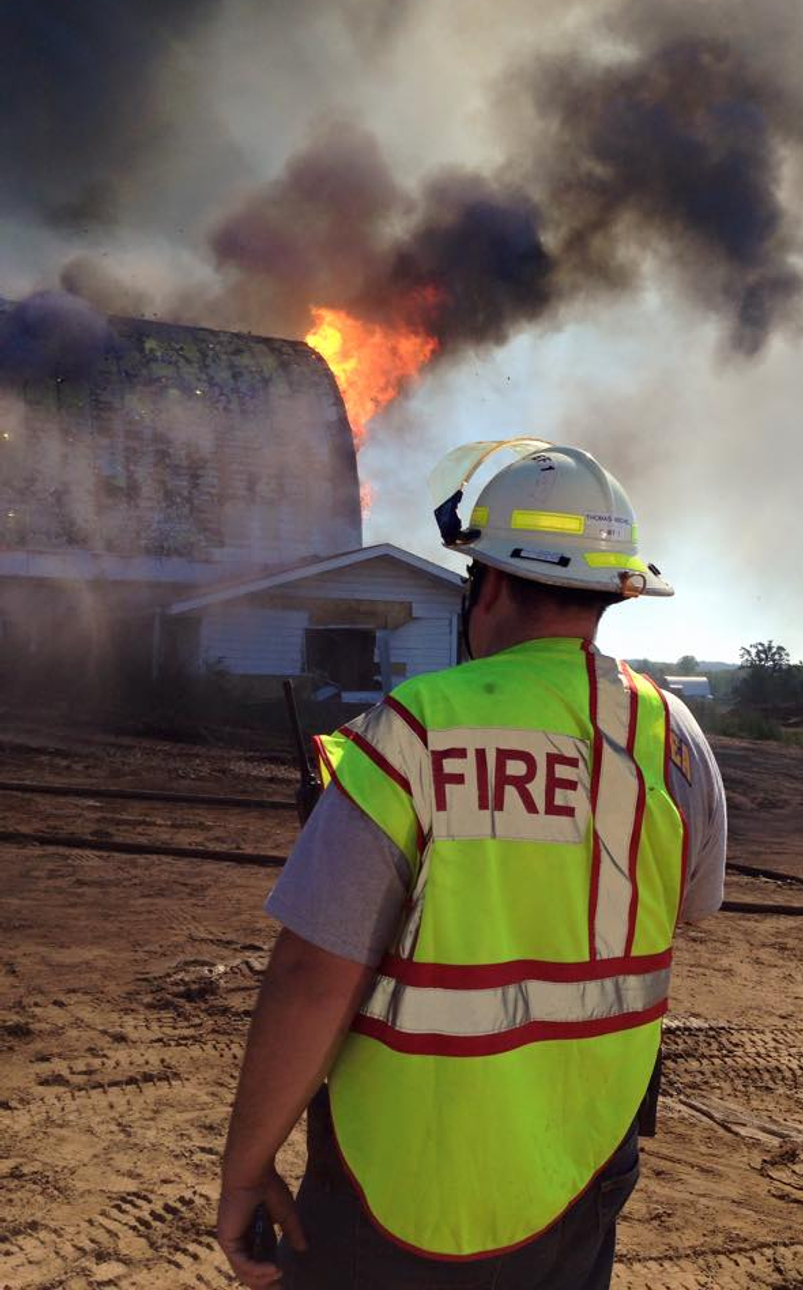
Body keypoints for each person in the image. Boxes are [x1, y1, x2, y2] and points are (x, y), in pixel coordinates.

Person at [216, 439, 727, 1290]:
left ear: (482, 584)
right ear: (615, 591)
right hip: (584, 1166)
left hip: (404, 1190)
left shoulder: (410, 729)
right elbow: (689, 906)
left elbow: (313, 973)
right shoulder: (669, 733)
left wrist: (245, 1166)